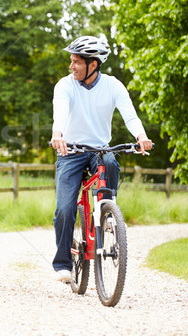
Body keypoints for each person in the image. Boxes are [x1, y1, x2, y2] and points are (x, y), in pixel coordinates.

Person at [50, 35, 153, 282]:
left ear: (93, 64)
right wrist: (58, 134)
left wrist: (141, 135)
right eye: (71, 61)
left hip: (99, 150)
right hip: (70, 151)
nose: (71, 66)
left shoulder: (113, 85)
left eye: (76, 62)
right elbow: (60, 111)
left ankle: (107, 210)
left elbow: (129, 114)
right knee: (64, 209)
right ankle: (63, 263)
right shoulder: (65, 85)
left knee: (110, 161)